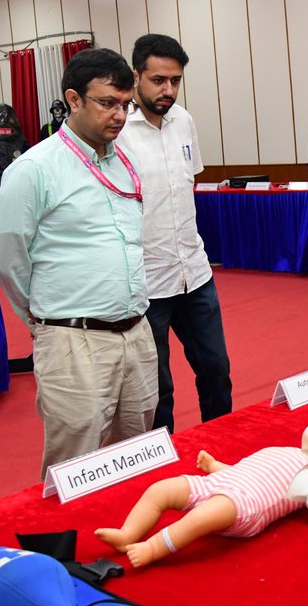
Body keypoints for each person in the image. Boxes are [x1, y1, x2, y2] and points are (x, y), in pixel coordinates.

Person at [0, 47, 158, 479]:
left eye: (126, 105)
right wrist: (48, 323)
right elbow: (9, 264)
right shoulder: (33, 169)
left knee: (137, 459)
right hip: (73, 341)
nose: (120, 116)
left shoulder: (125, 162)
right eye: (107, 103)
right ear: (74, 99)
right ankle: (66, 550)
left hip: (136, 334)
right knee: (74, 470)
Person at [117, 33, 232, 434]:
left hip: (195, 273)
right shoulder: (116, 131)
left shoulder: (183, 121)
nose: (168, 90)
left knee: (216, 372)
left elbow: (186, 187)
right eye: (158, 80)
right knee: (158, 391)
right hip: (147, 283)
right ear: (135, 77)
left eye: (176, 81)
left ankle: (222, 450)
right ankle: (164, 473)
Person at [94, 420, 308, 568]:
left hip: (245, 507)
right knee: (162, 489)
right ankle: (128, 531)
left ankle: (153, 549)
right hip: (223, 483)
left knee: (200, 518)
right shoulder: (286, 450)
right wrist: (215, 467)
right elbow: (246, 470)